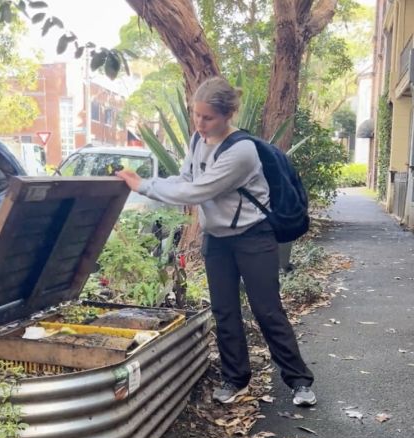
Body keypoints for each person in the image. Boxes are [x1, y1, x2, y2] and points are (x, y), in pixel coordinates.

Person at [116, 76, 316, 407]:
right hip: (218, 240)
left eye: (207, 117)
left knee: (267, 311)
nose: (199, 123)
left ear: (227, 115)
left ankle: (299, 381)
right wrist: (149, 182)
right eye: (196, 115)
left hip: (253, 236)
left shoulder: (242, 151)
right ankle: (235, 378)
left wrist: (143, 186)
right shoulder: (198, 140)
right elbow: (185, 179)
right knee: (224, 312)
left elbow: (199, 191)